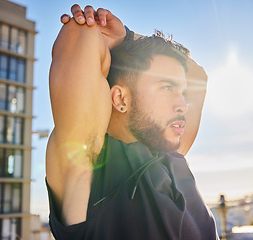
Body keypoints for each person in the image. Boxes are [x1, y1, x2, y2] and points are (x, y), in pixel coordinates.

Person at [46, 4, 218, 240]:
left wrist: (127, 36)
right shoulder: (89, 167)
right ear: (120, 98)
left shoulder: (172, 155)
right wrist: (120, 38)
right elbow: (81, 33)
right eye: (167, 87)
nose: (183, 105)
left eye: (183, 93)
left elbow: (198, 75)